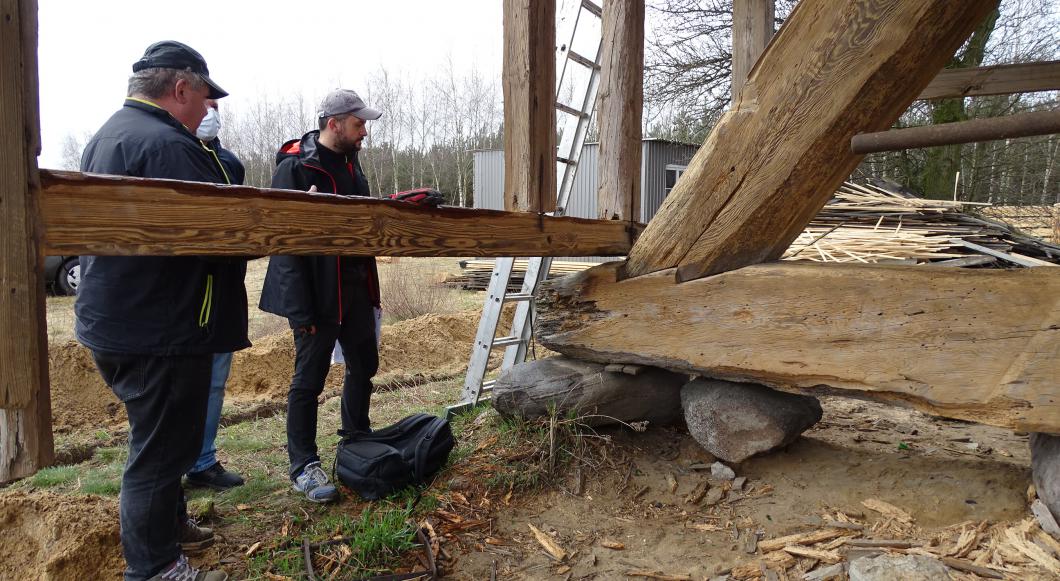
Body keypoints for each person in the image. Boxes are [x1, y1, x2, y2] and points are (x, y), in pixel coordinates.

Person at [77, 41, 248, 581]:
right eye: (204, 98)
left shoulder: (109, 135)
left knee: (161, 440)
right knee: (156, 456)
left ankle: (170, 529)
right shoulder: (169, 147)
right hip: (162, 329)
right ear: (180, 89)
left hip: (119, 321)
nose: (208, 111)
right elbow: (215, 236)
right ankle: (154, 569)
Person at [259, 89, 382, 504]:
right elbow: (285, 245)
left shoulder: (354, 165)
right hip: (316, 296)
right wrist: (300, 308)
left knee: (364, 366)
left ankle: (356, 439)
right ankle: (303, 466)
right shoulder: (296, 167)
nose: (364, 131)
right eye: (358, 123)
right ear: (335, 124)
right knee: (308, 381)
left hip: (356, 291)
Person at [184, 99, 247, 491]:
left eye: (215, 104)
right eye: (204, 102)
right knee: (175, 387)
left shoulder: (231, 163)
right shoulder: (175, 154)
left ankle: (203, 461)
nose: (210, 110)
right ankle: (168, 470)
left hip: (223, 292)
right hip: (181, 296)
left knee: (213, 381)